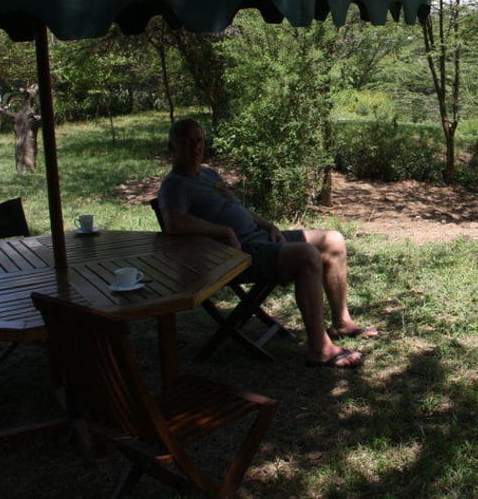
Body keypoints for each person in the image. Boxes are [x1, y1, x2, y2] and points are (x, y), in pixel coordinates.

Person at [157, 118, 377, 369]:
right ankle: (320, 349)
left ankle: (342, 322)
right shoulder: (175, 184)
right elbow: (174, 222)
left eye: (199, 140)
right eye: (187, 143)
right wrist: (225, 231)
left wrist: (268, 225)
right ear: (172, 148)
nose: (196, 147)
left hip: (258, 238)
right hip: (235, 255)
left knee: (334, 241)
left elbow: (236, 208)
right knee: (306, 255)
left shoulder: (208, 173)